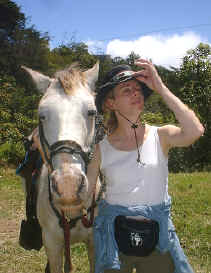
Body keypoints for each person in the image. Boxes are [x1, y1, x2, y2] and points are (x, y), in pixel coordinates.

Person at [87, 59, 204, 273]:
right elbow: (84, 197)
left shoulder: (162, 136)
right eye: (126, 90)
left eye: (138, 89)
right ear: (110, 103)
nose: (136, 93)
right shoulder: (100, 149)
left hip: (157, 236)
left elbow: (195, 131)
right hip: (114, 240)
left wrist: (160, 86)